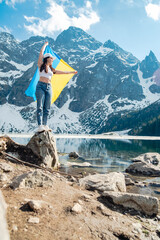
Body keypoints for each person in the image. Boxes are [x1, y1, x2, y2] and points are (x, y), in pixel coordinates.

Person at [36, 42, 77, 132]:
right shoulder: (41, 65)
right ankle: (40, 126)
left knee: (47, 107)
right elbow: (41, 53)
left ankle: (45, 125)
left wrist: (71, 72)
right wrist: (45, 45)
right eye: (51, 58)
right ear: (48, 59)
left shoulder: (52, 69)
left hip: (48, 87)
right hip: (40, 86)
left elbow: (62, 72)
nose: (53, 60)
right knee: (39, 107)